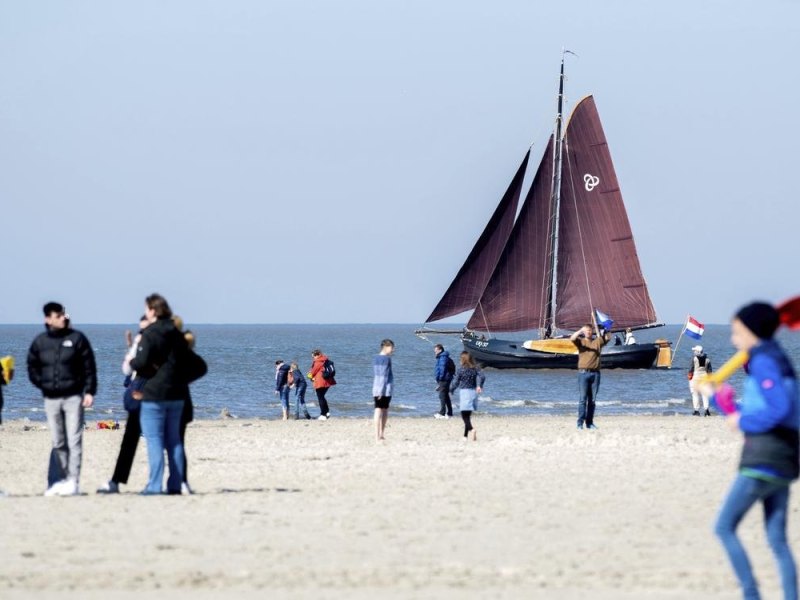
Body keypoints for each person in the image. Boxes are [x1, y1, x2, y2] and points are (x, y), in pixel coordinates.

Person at [709, 302, 799, 600]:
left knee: (724, 527)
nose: (734, 339)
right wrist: (726, 405)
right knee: (777, 539)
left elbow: (779, 408)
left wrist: (741, 419)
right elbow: (777, 408)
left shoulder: (764, 361)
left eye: (737, 332)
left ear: (752, 331)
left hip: (764, 458)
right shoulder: (777, 358)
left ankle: (751, 595)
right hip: (785, 458)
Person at [27, 302, 97, 496]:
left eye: (63, 315)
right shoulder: (41, 342)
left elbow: (89, 366)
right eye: (58, 315)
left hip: (74, 396)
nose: (62, 318)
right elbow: (32, 366)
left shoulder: (77, 339)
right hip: (51, 399)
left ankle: (73, 481)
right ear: (48, 319)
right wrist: (43, 384)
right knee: (58, 441)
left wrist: (90, 391)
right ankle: (61, 479)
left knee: (74, 439)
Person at [129, 293, 189, 495]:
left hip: (155, 393)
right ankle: (176, 484)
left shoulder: (150, 333)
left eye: (147, 309)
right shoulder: (176, 333)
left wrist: (132, 362)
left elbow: (141, 361)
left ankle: (155, 485)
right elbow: (186, 360)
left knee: (154, 440)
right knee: (174, 441)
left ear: (153, 310)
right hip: (177, 392)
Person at [97, 315, 151, 494]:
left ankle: (165, 481)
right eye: (140, 329)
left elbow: (131, 366)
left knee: (159, 440)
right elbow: (128, 368)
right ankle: (117, 480)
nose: (142, 332)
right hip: (142, 392)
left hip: (150, 391)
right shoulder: (145, 339)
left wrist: (133, 352)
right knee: (131, 439)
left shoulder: (152, 340)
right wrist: (131, 346)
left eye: (144, 328)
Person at [570, 324, 611, 430]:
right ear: (584, 332)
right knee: (582, 400)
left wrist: (606, 329)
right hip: (583, 373)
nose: (588, 332)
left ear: (592, 331)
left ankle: (589, 423)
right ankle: (580, 424)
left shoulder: (597, 341)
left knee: (592, 400)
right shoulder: (581, 341)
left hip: (595, 374)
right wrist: (580, 330)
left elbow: (607, 338)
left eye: (590, 330)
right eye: (587, 330)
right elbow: (572, 338)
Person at [450, 351, 485, 441]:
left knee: (464, 416)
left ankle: (472, 430)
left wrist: (451, 390)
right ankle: (465, 436)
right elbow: (482, 377)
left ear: (463, 359)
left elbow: (456, 382)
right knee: (468, 416)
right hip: (473, 393)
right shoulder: (475, 368)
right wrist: (480, 386)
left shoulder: (461, 369)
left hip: (465, 393)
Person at [373, 339, 394, 441]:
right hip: (385, 389)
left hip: (376, 387)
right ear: (386, 346)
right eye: (391, 348)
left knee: (379, 410)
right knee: (382, 410)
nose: (393, 350)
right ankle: (380, 434)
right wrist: (381, 391)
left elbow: (378, 375)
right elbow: (384, 376)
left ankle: (378, 435)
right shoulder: (386, 359)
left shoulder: (375, 358)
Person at [309, 348, 336, 420]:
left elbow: (312, 372)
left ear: (317, 355)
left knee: (320, 397)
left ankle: (323, 414)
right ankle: (327, 412)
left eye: (313, 356)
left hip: (320, 382)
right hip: (327, 382)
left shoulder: (318, 361)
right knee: (322, 397)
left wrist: (309, 376)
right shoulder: (325, 360)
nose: (313, 358)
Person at [688, 345, 713, 417]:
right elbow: (709, 371)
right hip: (705, 377)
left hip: (695, 377)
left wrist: (689, 376)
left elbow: (691, 369)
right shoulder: (707, 359)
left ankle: (696, 410)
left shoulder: (694, 359)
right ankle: (706, 410)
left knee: (695, 394)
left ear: (697, 351)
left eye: (695, 351)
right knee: (705, 394)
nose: (694, 352)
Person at [433, 344, 455, 419]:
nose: (435, 352)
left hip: (444, 379)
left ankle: (442, 413)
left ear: (440, 350)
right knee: (445, 395)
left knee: (442, 395)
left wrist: (440, 378)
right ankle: (450, 413)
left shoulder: (442, 357)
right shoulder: (442, 357)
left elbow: (442, 368)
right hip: (446, 378)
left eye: (436, 350)